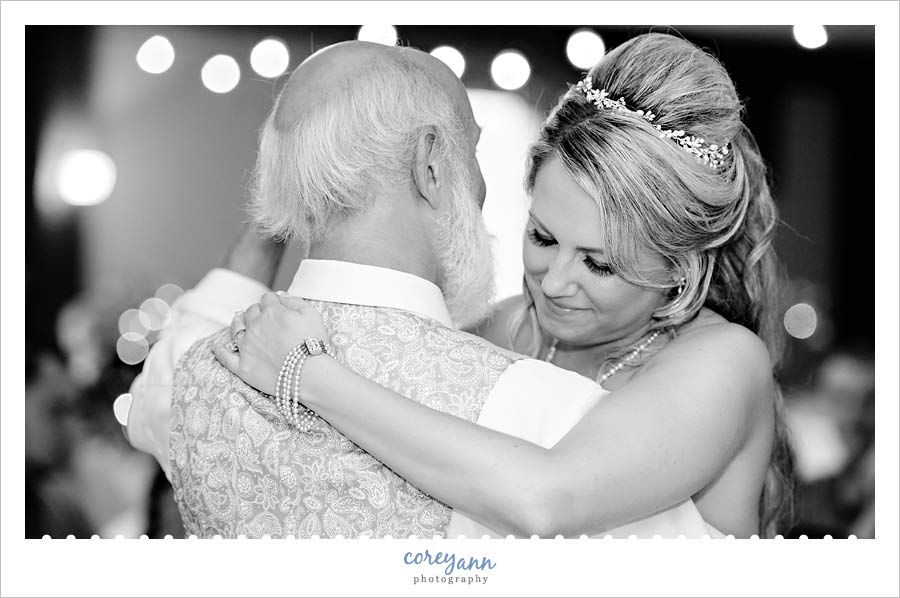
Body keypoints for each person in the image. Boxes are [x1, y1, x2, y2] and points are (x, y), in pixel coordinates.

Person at [215, 33, 795, 538]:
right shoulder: (500, 329)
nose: (554, 282)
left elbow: (546, 501)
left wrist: (308, 374)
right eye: (543, 237)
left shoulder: (724, 363)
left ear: (681, 268)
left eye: (599, 265)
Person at [120, 39, 631, 538]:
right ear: (430, 164)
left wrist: (288, 187)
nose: (478, 182)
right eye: (471, 152)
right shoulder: (548, 413)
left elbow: (178, 351)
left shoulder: (186, 380)